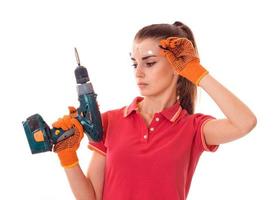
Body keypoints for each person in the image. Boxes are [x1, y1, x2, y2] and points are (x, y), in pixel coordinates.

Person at [52, 21, 257, 200]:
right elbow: (91, 198)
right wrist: (67, 155)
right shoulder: (110, 121)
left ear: (178, 66)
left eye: (149, 63)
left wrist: (197, 73)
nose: (139, 72)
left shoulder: (193, 129)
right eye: (135, 64)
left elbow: (245, 123)